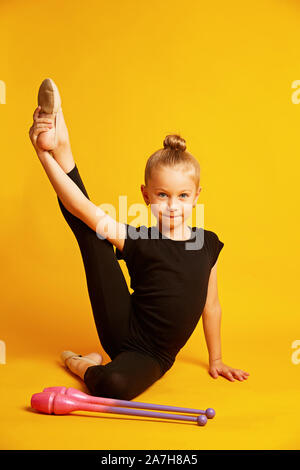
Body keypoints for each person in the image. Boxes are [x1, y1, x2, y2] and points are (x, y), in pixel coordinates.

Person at [29, 79, 249, 400]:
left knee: (115, 385)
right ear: (146, 196)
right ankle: (60, 148)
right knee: (92, 229)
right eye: (162, 195)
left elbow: (211, 306)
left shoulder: (207, 244)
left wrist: (216, 359)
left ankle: (78, 363)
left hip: (154, 356)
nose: (173, 205)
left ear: (197, 196)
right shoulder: (141, 240)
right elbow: (80, 207)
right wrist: (42, 155)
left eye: (182, 195)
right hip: (122, 329)